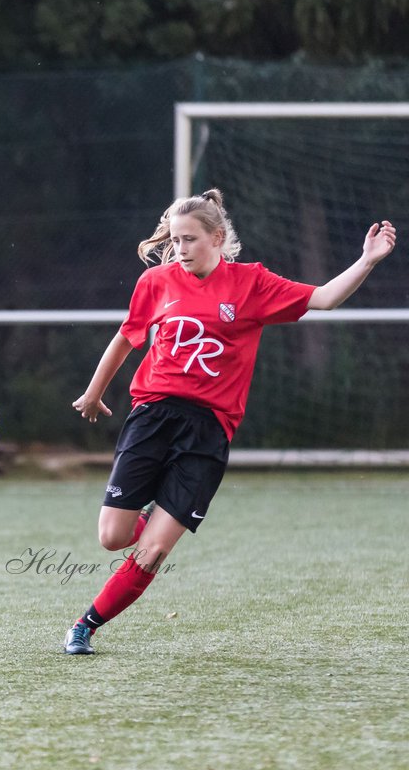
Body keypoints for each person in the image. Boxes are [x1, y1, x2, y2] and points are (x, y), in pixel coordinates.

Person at [62, 189, 396, 656]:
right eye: (175, 240)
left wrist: (367, 261)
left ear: (217, 238)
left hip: (208, 431)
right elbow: (125, 338)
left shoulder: (251, 284)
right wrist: (93, 393)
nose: (180, 249)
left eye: (190, 240)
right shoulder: (156, 282)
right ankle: (149, 519)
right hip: (152, 416)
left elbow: (322, 298)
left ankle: (85, 624)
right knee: (112, 538)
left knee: (155, 550)